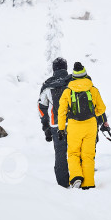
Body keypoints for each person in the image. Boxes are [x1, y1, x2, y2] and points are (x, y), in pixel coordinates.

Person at [57, 62, 109, 189]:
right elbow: (101, 109)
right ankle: (89, 183)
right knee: (88, 155)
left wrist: (61, 129)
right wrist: (93, 114)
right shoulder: (93, 89)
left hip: (74, 126)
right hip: (90, 125)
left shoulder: (67, 91)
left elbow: (62, 112)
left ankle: (76, 177)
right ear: (85, 75)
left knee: (74, 153)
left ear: (73, 77)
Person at [38, 57, 72, 187]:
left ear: (54, 69)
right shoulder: (72, 81)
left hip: (56, 125)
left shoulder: (47, 85)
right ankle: (78, 178)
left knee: (60, 153)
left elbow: (42, 107)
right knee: (76, 151)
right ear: (66, 67)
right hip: (73, 123)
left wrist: (45, 126)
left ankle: (63, 184)